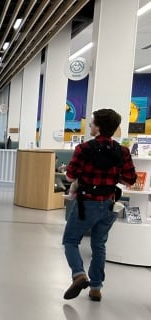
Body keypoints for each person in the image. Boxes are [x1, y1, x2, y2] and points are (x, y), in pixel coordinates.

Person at [62, 109, 137, 302]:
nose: (90, 125)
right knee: (99, 244)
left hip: (86, 203)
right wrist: (113, 176)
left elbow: (70, 176)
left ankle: (79, 274)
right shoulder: (123, 151)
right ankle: (96, 288)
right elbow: (130, 180)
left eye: (92, 123)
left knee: (70, 240)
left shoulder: (84, 149)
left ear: (99, 127)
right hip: (109, 204)